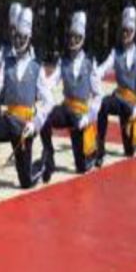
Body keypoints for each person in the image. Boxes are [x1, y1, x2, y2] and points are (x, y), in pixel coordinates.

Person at [0, 9, 54, 190]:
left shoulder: (36, 67)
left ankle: (43, 163)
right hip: (8, 120)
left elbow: (49, 101)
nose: (18, 41)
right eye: (16, 37)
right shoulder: (8, 62)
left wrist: (35, 123)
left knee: (25, 183)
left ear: (29, 38)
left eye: (22, 38)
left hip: (25, 126)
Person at [39, 11, 101, 182]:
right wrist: (40, 89)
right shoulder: (63, 60)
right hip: (66, 108)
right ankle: (49, 157)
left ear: (82, 38)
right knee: (44, 118)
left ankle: (93, 152)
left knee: (80, 168)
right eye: (71, 36)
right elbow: (52, 81)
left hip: (81, 114)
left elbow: (98, 96)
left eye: (76, 37)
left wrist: (88, 118)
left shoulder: (90, 62)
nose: (72, 40)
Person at [94, 7, 136, 167]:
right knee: (103, 104)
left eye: (128, 31)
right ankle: (100, 149)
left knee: (130, 152)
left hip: (133, 105)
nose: (125, 34)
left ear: (134, 32)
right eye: (123, 31)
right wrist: (94, 73)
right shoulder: (116, 52)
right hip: (118, 98)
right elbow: (104, 67)